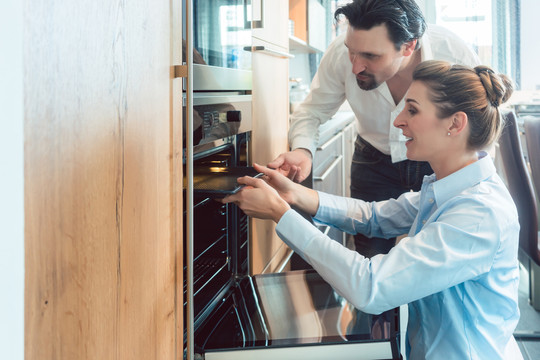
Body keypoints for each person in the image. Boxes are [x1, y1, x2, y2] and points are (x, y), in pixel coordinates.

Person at [223, 60, 522, 359]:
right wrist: (294, 194)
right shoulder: (449, 187)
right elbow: (374, 217)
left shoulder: (478, 214)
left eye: (413, 110)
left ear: (455, 124)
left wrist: (281, 214)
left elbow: (369, 287)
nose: (398, 121)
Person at [269, 0, 481, 258]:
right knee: (369, 254)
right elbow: (312, 110)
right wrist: (303, 150)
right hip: (373, 160)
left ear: (408, 46)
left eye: (371, 56)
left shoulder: (453, 53)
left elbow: (479, 122)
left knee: (442, 257)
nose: (356, 66)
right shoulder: (340, 54)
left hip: (439, 163)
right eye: (352, 51)